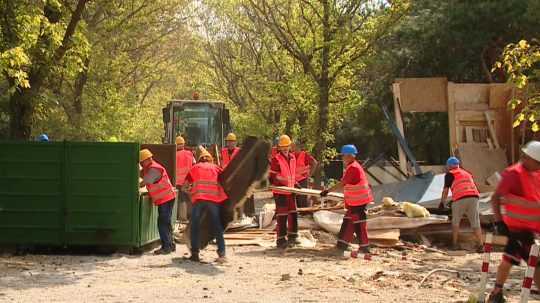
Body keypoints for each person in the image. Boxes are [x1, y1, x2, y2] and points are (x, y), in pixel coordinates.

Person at [487, 141, 540, 303]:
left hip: (529, 229)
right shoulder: (512, 174)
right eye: (537, 162)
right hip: (516, 229)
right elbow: (495, 197)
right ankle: (495, 294)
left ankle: (496, 293)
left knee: (517, 260)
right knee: (524, 261)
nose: (539, 165)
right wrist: (499, 222)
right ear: (527, 158)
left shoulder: (535, 173)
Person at [321, 144, 372, 256]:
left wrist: (327, 191)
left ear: (349, 156)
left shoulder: (353, 167)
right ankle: (342, 244)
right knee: (348, 221)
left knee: (359, 224)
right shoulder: (353, 166)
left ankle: (365, 248)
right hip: (354, 201)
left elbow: (342, 183)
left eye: (343, 156)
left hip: (358, 202)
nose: (342, 158)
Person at [185, 147, 228, 263]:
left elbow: (185, 185)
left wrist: (190, 194)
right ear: (210, 159)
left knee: (195, 226)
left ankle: (195, 254)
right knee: (217, 226)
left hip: (198, 200)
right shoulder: (216, 168)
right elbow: (225, 181)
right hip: (213, 200)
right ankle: (222, 253)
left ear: (200, 159)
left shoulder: (194, 168)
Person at [439, 156, 483, 251]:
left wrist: (442, 203)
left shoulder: (450, 174)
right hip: (474, 197)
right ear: (458, 165)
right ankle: (480, 245)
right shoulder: (467, 173)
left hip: (460, 198)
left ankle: (454, 244)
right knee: (475, 222)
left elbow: (446, 190)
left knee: (456, 222)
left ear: (449, 166)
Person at [139, 149, 177, 255]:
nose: (141, 164)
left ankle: (166, 247)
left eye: (142, 161)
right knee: (167, 222)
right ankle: (171, 244)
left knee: (162, 223)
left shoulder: (154, 169)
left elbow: (143, 183)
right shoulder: (151, 167)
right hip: (167, 197)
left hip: (165, 198)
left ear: (147, 159)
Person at [270, 134, 299, 249]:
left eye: (287, 146)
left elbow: (291, 173)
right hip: (281, 191)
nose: (285, 148)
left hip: (290, 190)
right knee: (282, 216)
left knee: (293, 213)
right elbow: (274, 176)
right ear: (279, 148)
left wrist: (295, 184)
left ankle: (293, 236)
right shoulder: (275, 159)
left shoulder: (292, 157)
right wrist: (284, 184)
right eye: (283, 146)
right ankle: (281, 240)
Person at [292, 140, 318, 208]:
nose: (291, 147)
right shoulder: (292, 155)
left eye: (293, 146)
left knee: (303, 199)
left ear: (297, 146)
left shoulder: (305, 155)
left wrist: (309, 175)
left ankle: (304, 213)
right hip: (294, 181)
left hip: (303, 180)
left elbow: (315, 163)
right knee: (296, 200)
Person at [175, 136, 195, 220]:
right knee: (189, 198)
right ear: (183, 144)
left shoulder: (174, 154)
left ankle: (182, 217)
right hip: (188, 180)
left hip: (178, 181)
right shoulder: (189, 153)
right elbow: (194, 164)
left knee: (181, 199)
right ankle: (191, 217)